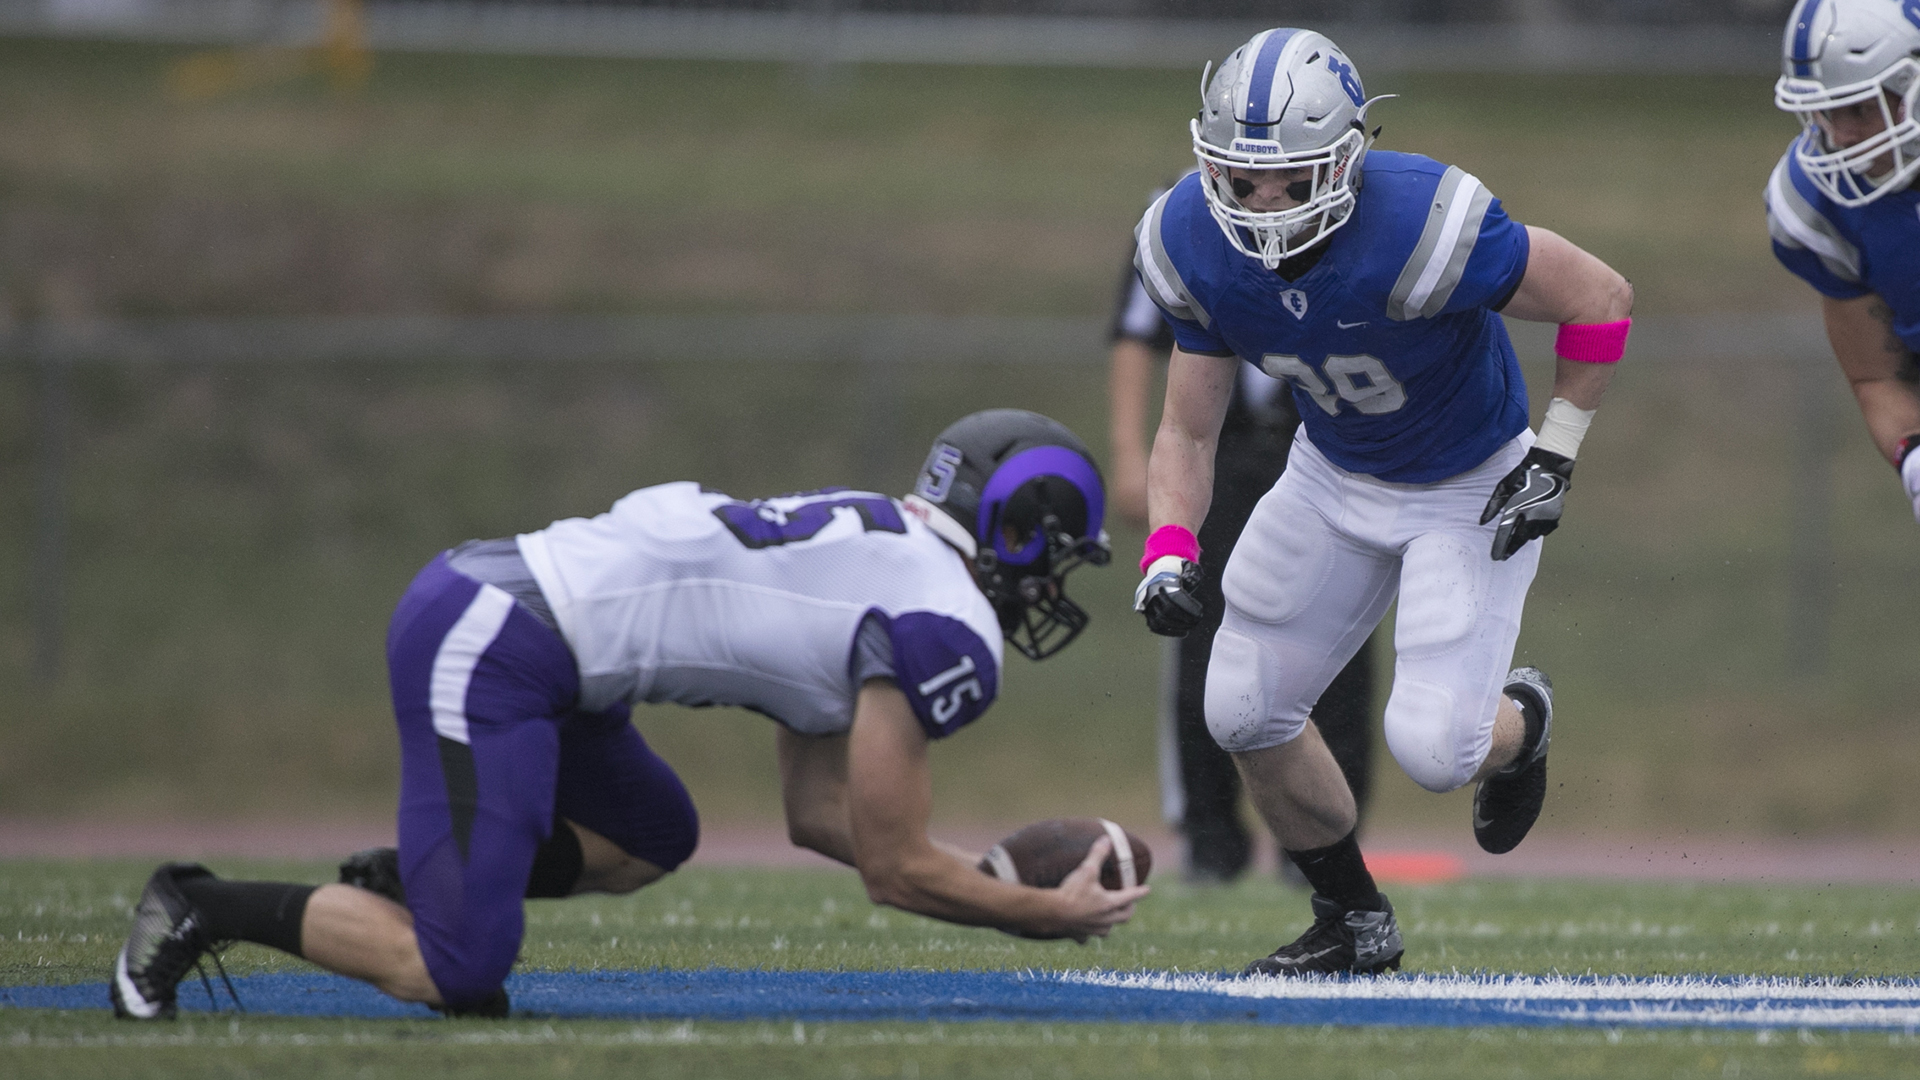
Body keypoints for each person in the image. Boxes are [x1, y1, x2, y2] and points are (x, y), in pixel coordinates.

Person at [111, 409, 1148, 1020]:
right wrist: (1043, 912)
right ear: (1014, 532)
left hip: (545, 650)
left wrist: (989, 878)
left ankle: (455, 871)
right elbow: (889, 866)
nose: (1053, 586)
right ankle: (200, 907)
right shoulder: (942, 619)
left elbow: (821, 820)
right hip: (498, 642)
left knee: (655, 834)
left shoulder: (890, 564)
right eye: (1054, 558)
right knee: (460, 975)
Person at [1130, 28, 1632, 976]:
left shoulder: (1421, 223)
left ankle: (1522, 721)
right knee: (1238, 708)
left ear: (1348, 159)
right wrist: (1167, 548)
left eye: (1291, 177)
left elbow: (1600, 296)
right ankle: (1351, 918)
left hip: (1469, 483)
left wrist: (1556, 456)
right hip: (1331, 475)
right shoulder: (1187, 241)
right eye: (1243, 180)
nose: (1265, 203)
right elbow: (1187, 430)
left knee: (1437, 751)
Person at [1109, 219, 1378, 885]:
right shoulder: (1178, 218)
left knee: (1340, 645)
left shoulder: (1356, 215)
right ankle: (1210, 840)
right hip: (1222, 452)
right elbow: (1136, 330)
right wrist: (1125, 452)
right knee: (1196, 627)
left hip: (1324, 447)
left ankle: (1322, 844)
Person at [1766, 0, 1920, 518]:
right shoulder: (1819, 204)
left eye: (1859, 107)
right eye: (1827, 111)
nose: (1841, 135)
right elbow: (1878, 376)